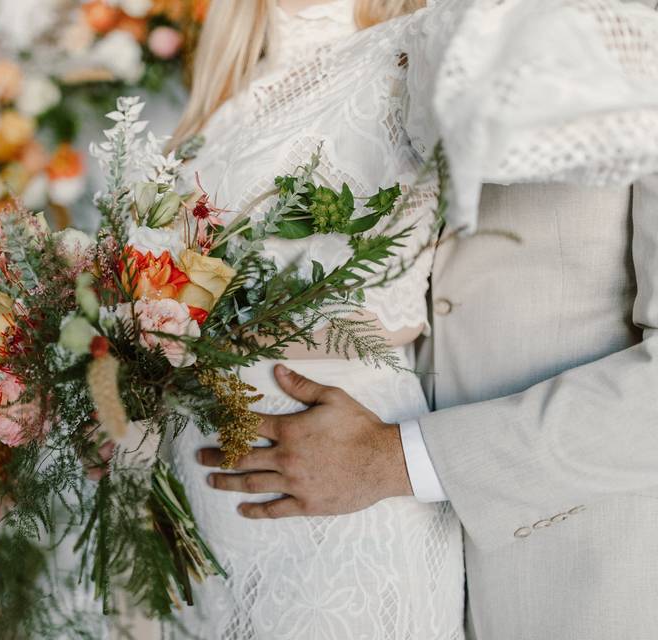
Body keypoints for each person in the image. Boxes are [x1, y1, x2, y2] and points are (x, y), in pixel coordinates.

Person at [201, 0, 658, 638]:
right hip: (362, 526)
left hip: (580, 572)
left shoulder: (634, 31)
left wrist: (396, 459)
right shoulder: (410, 31)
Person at [166, 1, 465, 638]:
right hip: (208, 492)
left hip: (335, 471)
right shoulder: (223, 88)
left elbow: (393, 306)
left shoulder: (415, 46)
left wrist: (202, 331)